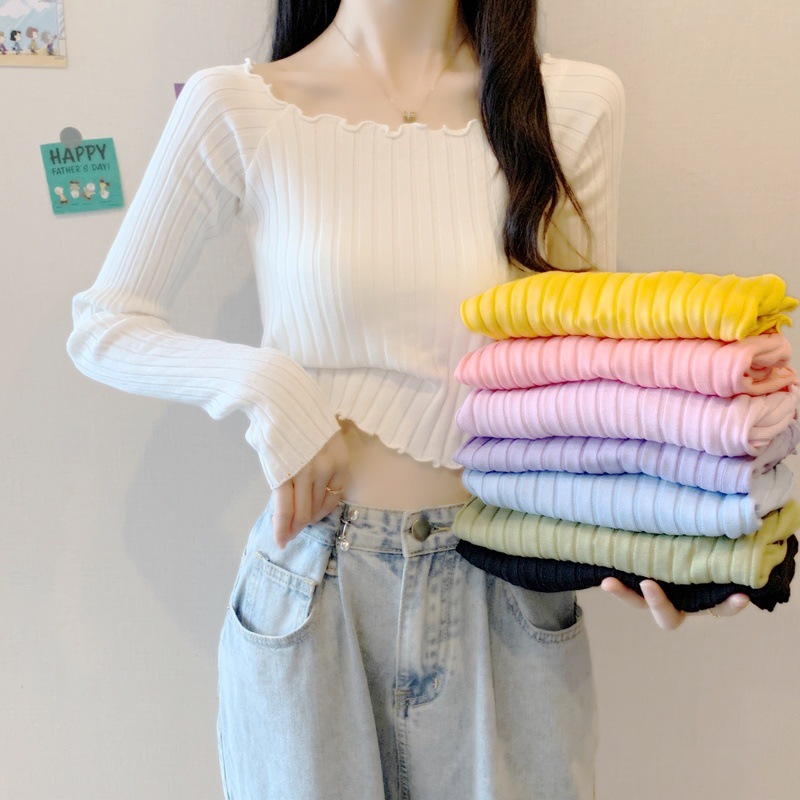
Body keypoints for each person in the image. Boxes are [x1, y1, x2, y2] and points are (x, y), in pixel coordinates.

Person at [66, 1, 749, 797]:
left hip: (508, 582)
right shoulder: (238, 107)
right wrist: (264, 386)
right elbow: (105, 326)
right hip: (314, 589)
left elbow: (579, 377)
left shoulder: (571, 105)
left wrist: (675, 545)